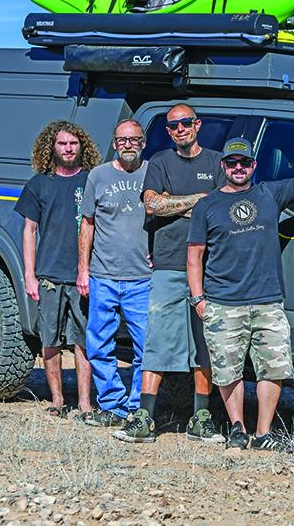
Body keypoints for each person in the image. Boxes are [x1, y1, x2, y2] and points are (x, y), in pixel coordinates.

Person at [187, 137, 294, 451]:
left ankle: (263, 434)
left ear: (254, 165)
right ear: (223, 166)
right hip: (223, 301)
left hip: (268, 300)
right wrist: (199, 298)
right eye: (232, 162)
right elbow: (194, 255)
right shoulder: (207, 205)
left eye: (244, 162)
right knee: (228, 370)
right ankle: (237, 429)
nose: (238, 167)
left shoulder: (270, 192)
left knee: (273, 367)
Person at [114, 104, 226, 444]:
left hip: (209, 268)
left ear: (198, 124)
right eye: (173, 125)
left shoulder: (216, 162)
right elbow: (152, 204)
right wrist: (198, 200)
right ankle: (144, 418)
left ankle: (201, 418)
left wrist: (173, 201)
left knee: (203, 345)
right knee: (157, 340)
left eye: (186, 123)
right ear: (168, 131)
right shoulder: (161, 162)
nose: (180, 129)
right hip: (167, 263)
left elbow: (221, 206)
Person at [14, 120, 100, 419]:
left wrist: (87, 270)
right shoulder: (38, 183)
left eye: (73, 143)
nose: (68, 149)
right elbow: (29, 230)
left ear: (82, 147)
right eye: (62, 143)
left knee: (82, 340)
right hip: (48, 275)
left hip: (82, 277)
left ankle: (86, 403)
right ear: (52, 146)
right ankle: (57, 400)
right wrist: (29, 275)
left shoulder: (91, 181)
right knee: (49, 340)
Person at [77, 119, 151, 427]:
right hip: (102, 276)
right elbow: (88, 224)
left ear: (143, 143)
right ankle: (112, 405)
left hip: (142, 278)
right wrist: (83, 269)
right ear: (115, 143)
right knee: (99, 345)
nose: (128, 145)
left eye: (134, 140)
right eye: (122, 140)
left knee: (145, 347)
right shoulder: (98, 175)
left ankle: (136, 406)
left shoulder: (154, 173)